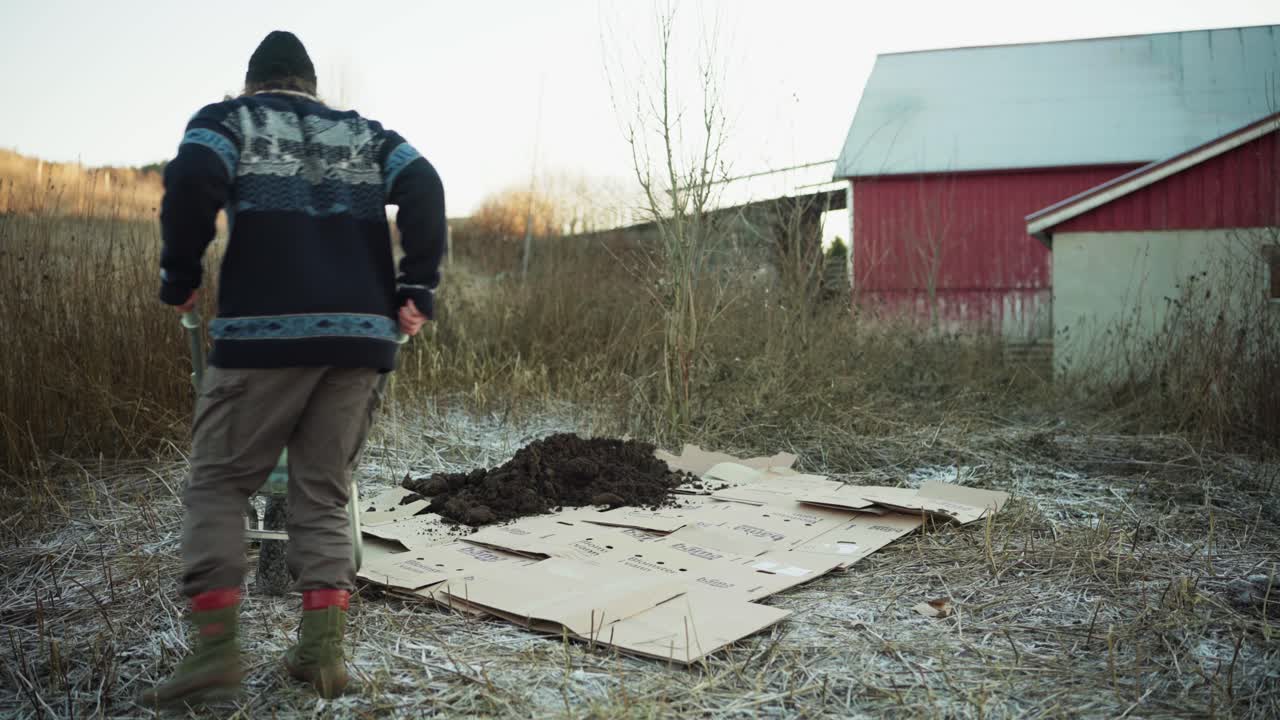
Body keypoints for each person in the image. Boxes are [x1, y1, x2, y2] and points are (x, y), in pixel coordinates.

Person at [141, 30, 445, 706]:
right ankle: (322, 655)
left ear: (254, 82)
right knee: (324, 490)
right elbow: (423, 182)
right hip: (361, 340)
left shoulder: (232, 120)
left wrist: (180, 273)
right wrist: (416, 288)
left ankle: (217, 651)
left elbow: (193, 177)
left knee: (221, 482)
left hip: (263, 338)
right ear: (310, 84)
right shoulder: (363, 133)